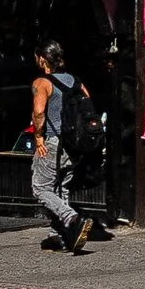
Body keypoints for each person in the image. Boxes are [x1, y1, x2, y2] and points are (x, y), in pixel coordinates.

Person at [27, 37, 89, 254]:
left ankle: (72, 219)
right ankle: (59, 236)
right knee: (60, 188)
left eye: (37, 57)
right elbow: (87, 109)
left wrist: (38, 138)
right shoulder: (76, 81)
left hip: (53, 141)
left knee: (41, 188)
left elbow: (38, 112)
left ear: (42, 58)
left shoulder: (41, 83)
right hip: (74, 144)